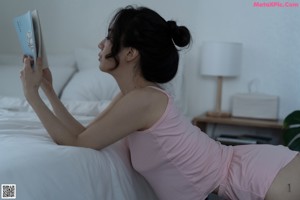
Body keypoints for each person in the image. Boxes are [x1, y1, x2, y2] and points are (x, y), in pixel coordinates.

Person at [20, 5, 300, 200]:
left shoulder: (144, 101)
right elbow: (83, 135)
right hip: (253, 175)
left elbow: (79, 142)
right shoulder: (134, 98)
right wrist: (48, 91)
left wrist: (32, 97)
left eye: (108, 38)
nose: (100, 45)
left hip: (263, 178)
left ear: (130, 53)